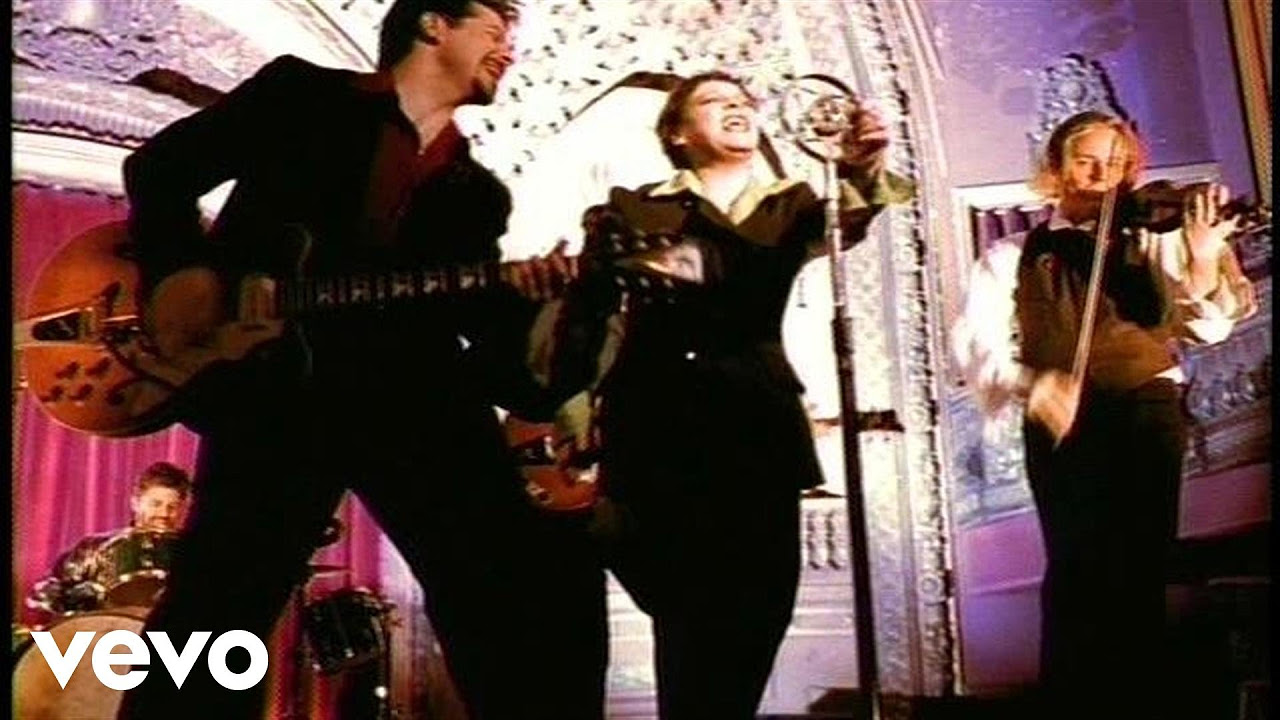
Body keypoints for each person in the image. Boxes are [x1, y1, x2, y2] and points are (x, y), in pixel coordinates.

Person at [116, 1, 606, 718]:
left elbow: (507, 369)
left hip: (412, 399)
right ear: (433, 24)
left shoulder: (477, 196)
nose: (510, 50)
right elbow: (159, 170)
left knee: (509, 584)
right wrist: (180, 277)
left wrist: (561, 309)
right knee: (215, 609)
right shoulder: (300, 95)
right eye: (495, 29)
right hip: (276, 393)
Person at [539, 71, 913, 718]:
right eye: (715, 102)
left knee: (759, 606)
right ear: (678, 134)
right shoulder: (634, 209)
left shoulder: (791, 205)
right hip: (658, 424)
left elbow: (848, 218)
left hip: (757, 424)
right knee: (685, 608)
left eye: (744, 101)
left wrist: (862, 163)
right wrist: (572, 415)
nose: (737, 108)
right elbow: (586, 318)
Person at [952, 111, 1255, 719]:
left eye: (1116, 165)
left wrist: (1203, 259)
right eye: (1087, 162)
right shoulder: (1013, 254)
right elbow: (976, 346)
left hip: (1146, 407)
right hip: (1059, 415)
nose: (1102, 177)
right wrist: (1033, 384)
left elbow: (1210, 328)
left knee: (1140, 566)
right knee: (1074, 567)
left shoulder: (1158, 238)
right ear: (1056, 170)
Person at [27, 461, 192, 615]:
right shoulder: (95, 547)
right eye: (155, 504)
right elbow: (41, 593)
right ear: (135, 503)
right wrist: (73, 597)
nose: (164, 513)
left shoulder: (196, 553)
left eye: (173, 507)